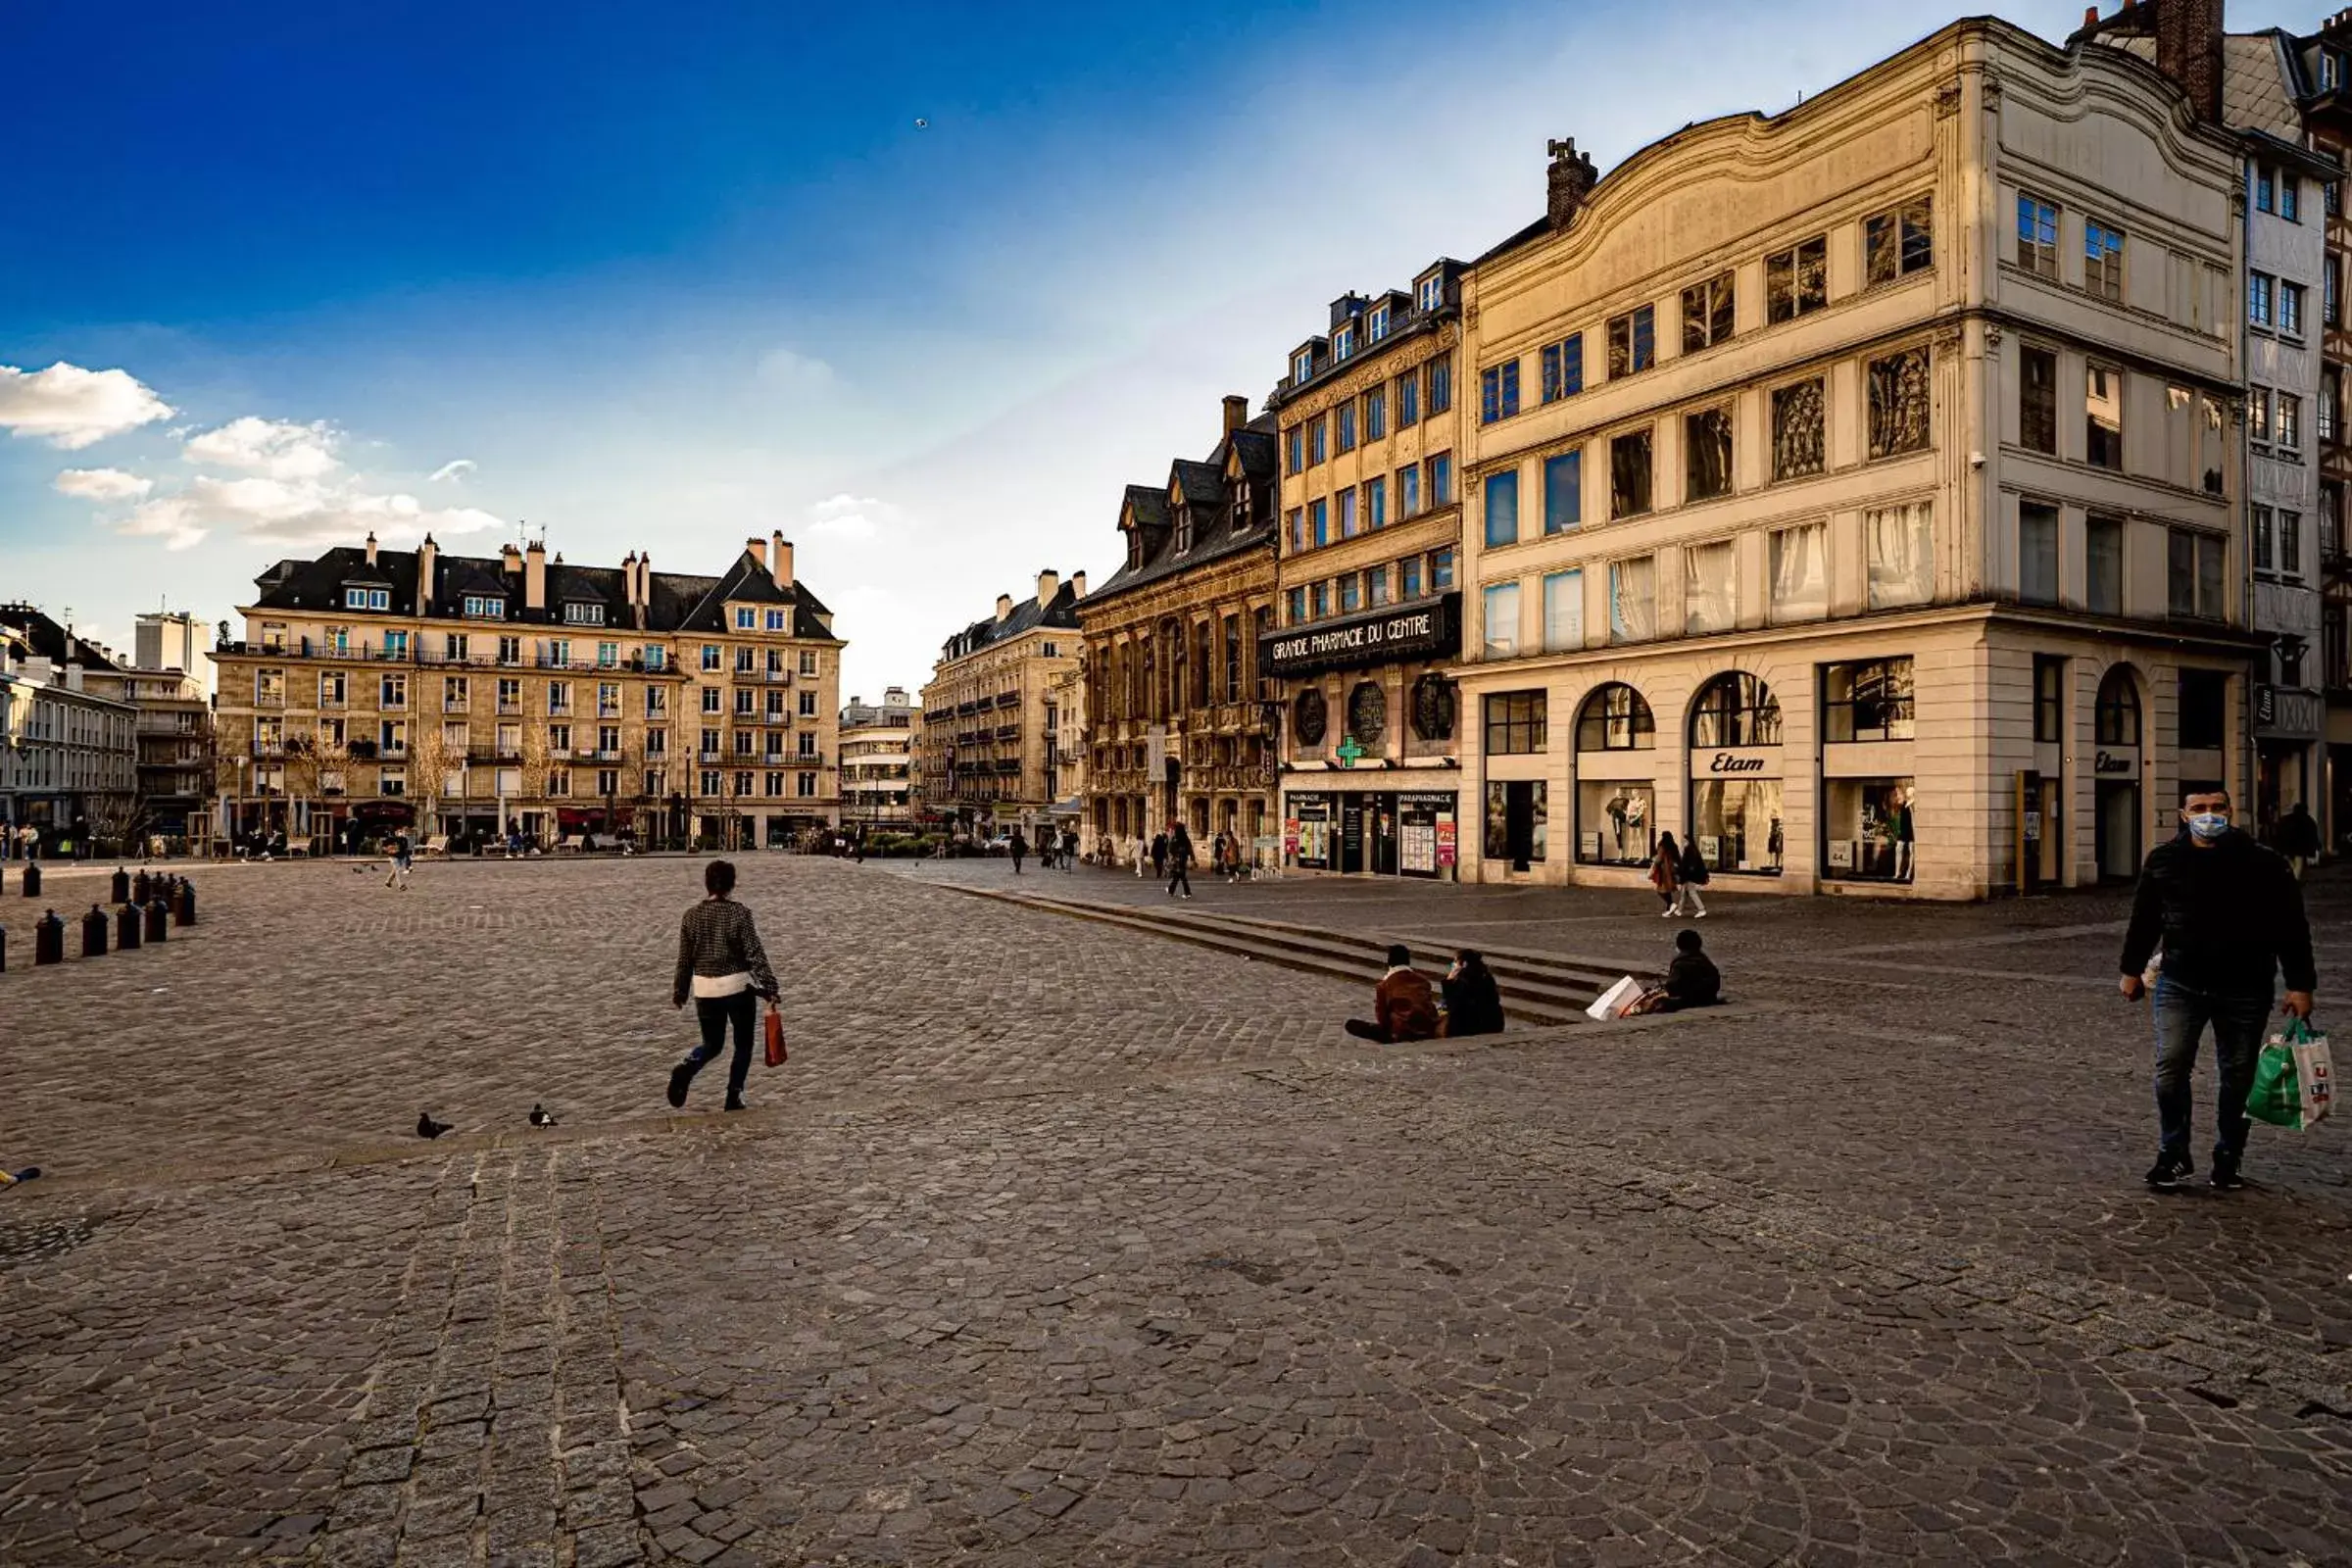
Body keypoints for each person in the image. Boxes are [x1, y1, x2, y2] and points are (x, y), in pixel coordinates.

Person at [2119, 787, 2316, 1192]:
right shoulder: (2164, 861)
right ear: (2183, 815)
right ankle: (2173, 1154)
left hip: (2245, 986)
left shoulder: (2264, 863)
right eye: (2199, 808)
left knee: (2238, 1076)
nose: (2209, 814)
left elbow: (2292, 927)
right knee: (2170, 1068)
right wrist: (2131, 970)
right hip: (2180, 982)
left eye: (2217, 807)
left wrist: (2300, 985)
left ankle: (2229, 1155)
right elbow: (2145, 919)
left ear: (2230, 811)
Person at [668, 858, 780, 1113]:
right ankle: (734, 1094)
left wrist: (680, 991)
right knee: (743, 1044)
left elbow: (684, 959)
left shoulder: (691, 916)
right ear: (732, 885)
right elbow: (755, 953)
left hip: (704, 988)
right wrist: (770, 985)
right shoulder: (739, 913)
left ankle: (689, 1065)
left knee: (712, 1044)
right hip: (736, 987)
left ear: (706, 884)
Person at [1347, 944, 1444, 1044]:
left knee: (1355, 1026)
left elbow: (1382, 1017)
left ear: (1389, 962)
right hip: (1427, 1029)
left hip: (1402, 1031)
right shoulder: (1423, 980)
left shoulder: (1384, 985)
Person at [1441, 950, 1506, 1037]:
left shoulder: (1464, 982)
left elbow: (1448, 1005)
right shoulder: (1486, 976)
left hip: (1469, 1027)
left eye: (1455, 961)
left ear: (1464, 964)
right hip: (1493, 1024)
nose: (1453, 964)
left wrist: (1448, 981)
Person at [1662, 928, 1722, 1009]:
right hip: (1709, 999)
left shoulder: (1680, 964)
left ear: (1679, 946)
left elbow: (1671, 986)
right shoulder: (1706, 962)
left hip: (1687, 1001)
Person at [2275, 801, 2321, 880]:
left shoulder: (2286, 819)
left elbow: (2278, 833)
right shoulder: (2308, 820)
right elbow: (2312, 834)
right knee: (2298, 866)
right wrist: (2316, 845)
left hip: (2286, 847)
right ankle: (2294, 881)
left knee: (2291, 864)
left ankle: (2290, 879)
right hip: (2299, 848)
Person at [1675, 834, 1711, 918]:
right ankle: (1679, 910)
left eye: (1685, 841)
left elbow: (1690, 865)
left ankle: (1701, 909)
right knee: (1684, 892)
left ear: (1688, 841)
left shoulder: (1690, 850)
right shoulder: (1691, 849)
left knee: (1691, 891)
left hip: (1689, 876)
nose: (1684, 842)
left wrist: (1685, 872)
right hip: (1688, 875)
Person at [1648, 832, 1682, 917]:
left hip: (1664, 870)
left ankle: (1671, 904)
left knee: (1660, 890)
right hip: (1672, 870)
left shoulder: (1662, 846)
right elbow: (1678, 857)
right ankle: (1669, 910)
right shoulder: (1674, 846)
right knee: (1667, 890)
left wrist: (1654, 862)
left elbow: (1659, 859)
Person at [1166, 823, 1195, 900]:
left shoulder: (1175, 838)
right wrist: (1192, 859)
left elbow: (1170, 849)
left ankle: (1187, 892)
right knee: (1178, 876)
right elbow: (1190, 849)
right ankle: (1171, 890)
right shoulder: (1185, 838)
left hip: (1176, 860)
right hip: (1183, 860)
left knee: (1181, 876)